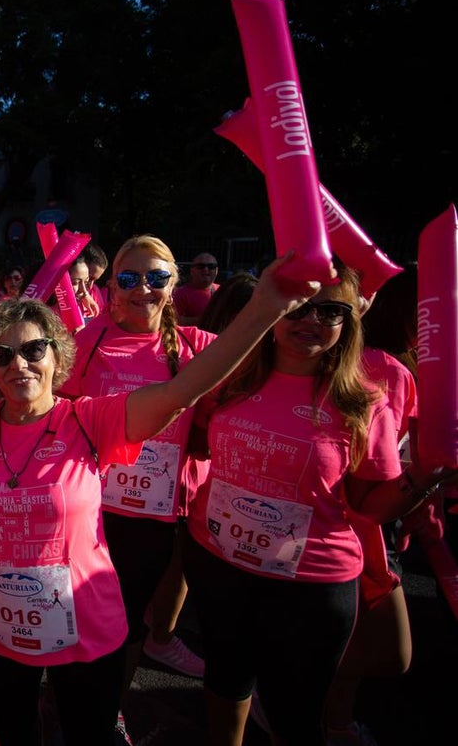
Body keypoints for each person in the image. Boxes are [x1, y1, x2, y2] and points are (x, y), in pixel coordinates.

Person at [0, 253, 319, 746]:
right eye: (2, 355)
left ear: (57, 357)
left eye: (33, 350)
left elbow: (182, 391)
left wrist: (266, 308)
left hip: (87, 631)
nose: (19, 365)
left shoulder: (89, 419)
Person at [181, 266, 453, 745]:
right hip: (218, 562)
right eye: (301, 307)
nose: (311, 320)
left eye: (331, 311)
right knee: (225, 680)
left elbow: (370, 505)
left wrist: (423, 477)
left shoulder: (363, 401)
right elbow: (198, 445)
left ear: (348, 323)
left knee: (295, 713)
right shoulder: (229, 377)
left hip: (310, 586)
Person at [60, 236, 211, 710]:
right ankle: (60, 707)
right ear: (112, 287)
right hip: (90, 514)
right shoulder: (87, 342)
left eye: (157, 277)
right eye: (129, 278)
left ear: (173, 285)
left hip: (151, 521)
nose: (143, 288)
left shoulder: (195, 346)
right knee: (77, 618)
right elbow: (55, 413)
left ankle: (111, 712)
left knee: (126, 628)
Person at [321, 266, 419, 745]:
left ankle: (327, 717)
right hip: (355, 526)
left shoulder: (382, 366)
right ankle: (319, 713)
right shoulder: (387, 370)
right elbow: (391, 463)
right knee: (382, 649)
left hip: (362, 519)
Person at [174, 252, 221, 326]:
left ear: (216, 271)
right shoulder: (180, 294)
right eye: (201, 266)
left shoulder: (222, 290)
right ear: (192, 271)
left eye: (211, 266)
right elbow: (173, 321)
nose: (206, 269)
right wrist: (202, 320)